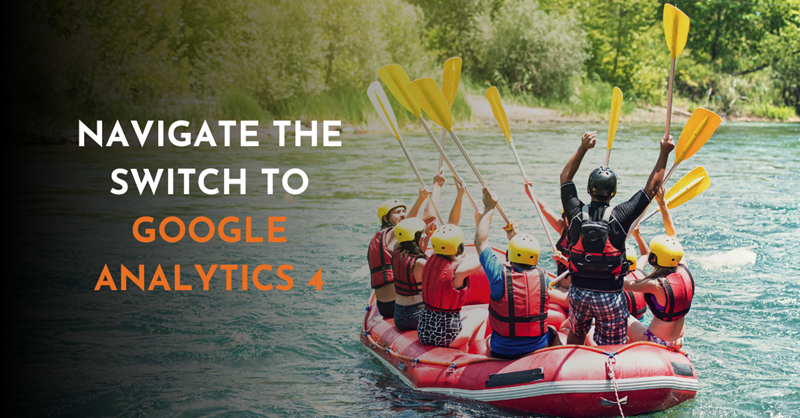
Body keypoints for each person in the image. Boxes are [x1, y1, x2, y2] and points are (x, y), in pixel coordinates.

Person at [560, 131, 674, 346]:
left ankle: (574, 352)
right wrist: (664, 153)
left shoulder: (575, 212)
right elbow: (651, 188)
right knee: (612, 344)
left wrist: (583, 148)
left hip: (579, 292)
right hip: (610, 295)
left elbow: (565, 179)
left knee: (576, 332)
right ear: (613, 193)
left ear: (588, 189)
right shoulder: (621, 215)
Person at [475, 188, 561, 359]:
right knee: (552, 332)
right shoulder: (543, 277)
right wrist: (515, 237)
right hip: (538, 345)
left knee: (488, 339)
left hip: (503, 350)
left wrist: (489, 207)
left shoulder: (498, 274)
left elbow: (480, 241)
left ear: (511, 253)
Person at [392, 178, 467, 331]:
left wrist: (423, 232)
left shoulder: (396, 251)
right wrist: (460, 195)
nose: (426, 235)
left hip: (399, 315)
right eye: (423, 234)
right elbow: (451, 229)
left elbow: (405, 228)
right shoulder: (422, 264)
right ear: (416, 237)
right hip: (417, 315)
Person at [369, 172, 444, 318]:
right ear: (386, 218)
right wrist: (437, 185)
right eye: (397, 212)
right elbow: (430, 216)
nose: (403, 214)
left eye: (404, 211)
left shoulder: (380, 239)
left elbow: (412, 257)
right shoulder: (394, 233)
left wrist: (420, 200)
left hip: (383, 306)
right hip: (397, 304)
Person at [625, 187, 694, 347]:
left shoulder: (655, 285)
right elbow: (672, 235)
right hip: (678, 341)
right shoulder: (684, 269)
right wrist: (662, 203)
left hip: (656, 341)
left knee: (624, 315)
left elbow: (625, 284)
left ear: (654, 259)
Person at [417, 223, 484, 348]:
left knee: (463, 323)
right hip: (446, 338)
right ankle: (477, 352)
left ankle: (463, 349)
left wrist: (457, 258)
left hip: (424, 333)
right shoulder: (458, 272)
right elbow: (482, 256)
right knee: (481, 313)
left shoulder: (427, 264)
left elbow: (444, 268)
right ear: (460, 247)